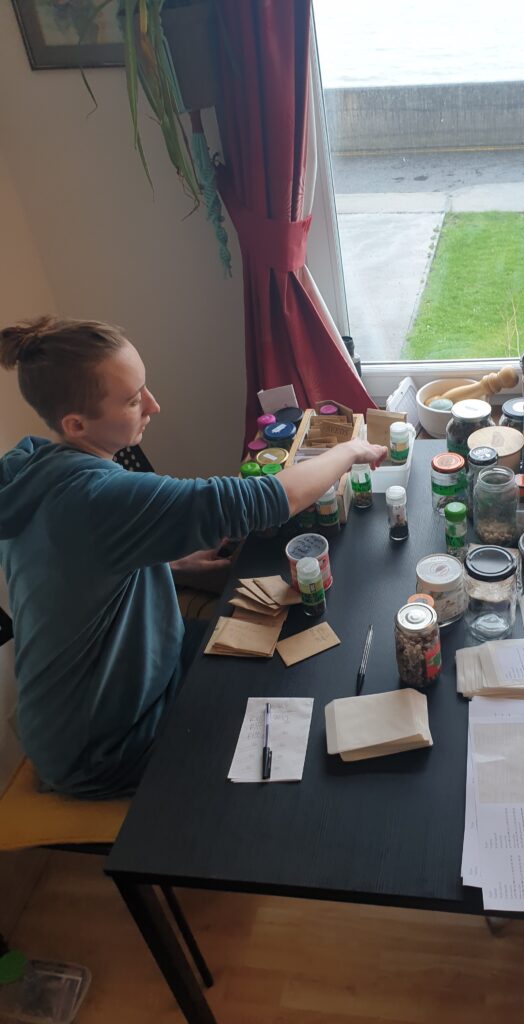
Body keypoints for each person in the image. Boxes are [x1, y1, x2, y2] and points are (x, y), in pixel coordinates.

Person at [0, 316, 387, 799]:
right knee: (282, 748)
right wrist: (349, 450)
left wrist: (173, 565)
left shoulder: (32, 467)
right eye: (132, 398)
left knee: (286, 646)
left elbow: (74, 573)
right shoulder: (94, 498)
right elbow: (267, 500)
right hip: (101, 745)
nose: (153, 405)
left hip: (136, 670)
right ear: (75, 425)